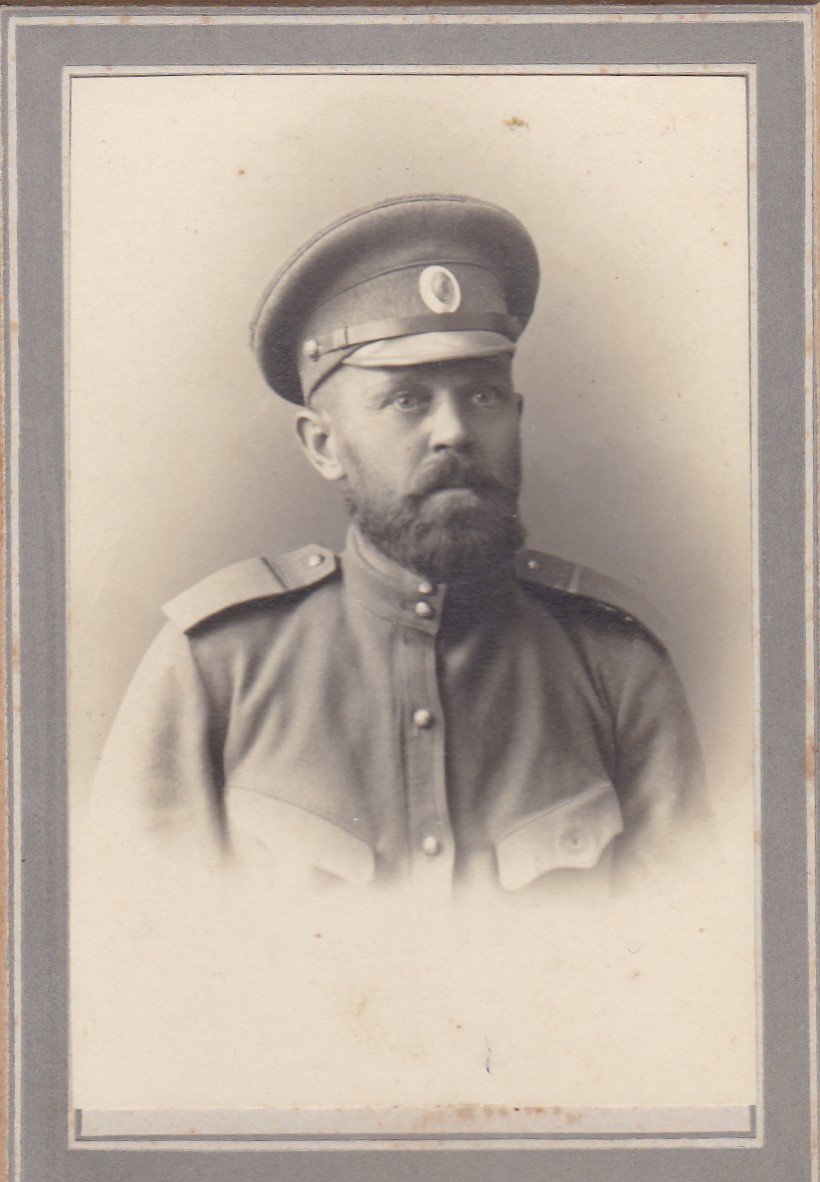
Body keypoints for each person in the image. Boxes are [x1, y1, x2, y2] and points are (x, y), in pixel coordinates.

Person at [88, 193, 712, 900]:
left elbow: (679, 943)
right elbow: (138, 945)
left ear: (516, 415)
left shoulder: (616, 664)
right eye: (407, 400)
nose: (455, 432)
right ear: (323, 445)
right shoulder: (216, 664)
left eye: (483, 396)